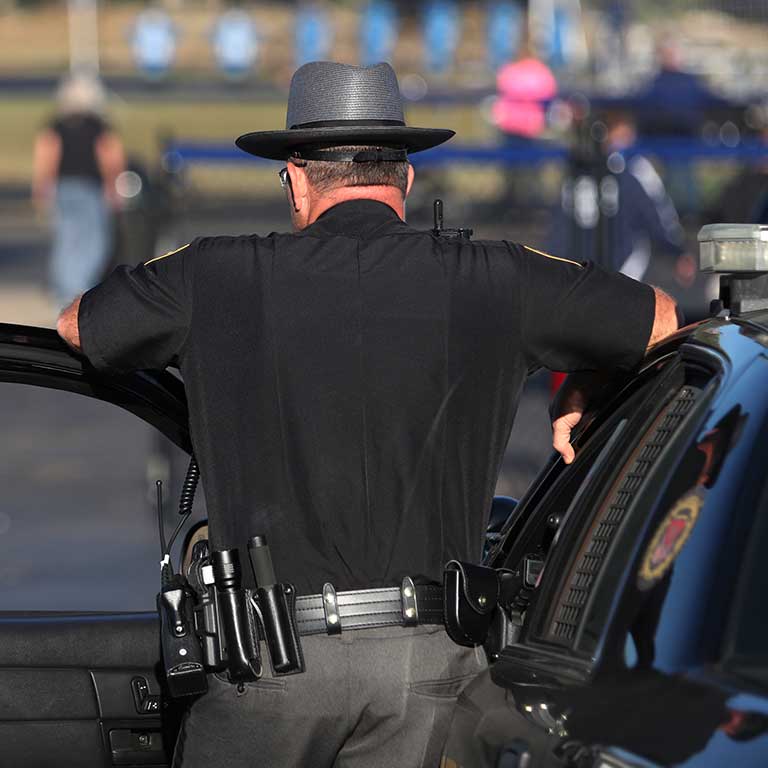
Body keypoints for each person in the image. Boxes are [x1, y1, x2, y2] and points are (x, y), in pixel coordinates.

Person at [56, 61, 678, 767]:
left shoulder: (213, 274)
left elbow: (79, 326)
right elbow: (659, 321)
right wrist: (584, 383)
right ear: (406, 178)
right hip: (431, 667)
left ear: (295, 179)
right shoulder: (495, 276)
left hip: (266, 662)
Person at [32, 74, 125, 307]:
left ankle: (66, 291)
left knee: (66, 240)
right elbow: (111, 158)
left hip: (64, 190)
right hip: (89, 190)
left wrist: (42, 188)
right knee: (94, 242)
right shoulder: (99, 127)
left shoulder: (56, 126)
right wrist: (114, 186)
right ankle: (78, 290)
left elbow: (46, 156)